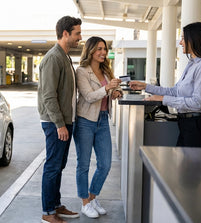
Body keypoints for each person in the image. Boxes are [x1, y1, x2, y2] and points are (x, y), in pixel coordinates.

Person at [129, 22, 201, 147]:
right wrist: (146, 86)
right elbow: (175, 91)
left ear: (194, 39)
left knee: (189, 166)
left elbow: (198, 102)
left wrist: (162, 99)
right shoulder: (192, 64)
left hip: (197, 126)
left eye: (183, 38)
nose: (180, 42)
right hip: (185, 123)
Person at [37, 15, 82, 223]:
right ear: (65, 34)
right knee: (53, 166)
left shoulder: (64, 56)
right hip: (56, 123)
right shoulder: (53, 58)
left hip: (65, 122)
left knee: (59, 165)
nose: (79, 37)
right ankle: (48, 212)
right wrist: (59, 124)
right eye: (77, 33)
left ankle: (55, 204)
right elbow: (48, 95)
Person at [73, 36, 122, 218]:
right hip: (85, 120)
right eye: (99, 49)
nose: (103, 52)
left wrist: (115, 92)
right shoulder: (82, 71)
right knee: (83, 164)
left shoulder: (106, 70)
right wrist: (108, 88)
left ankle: (92, 197)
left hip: (102, 120)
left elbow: (106, 94)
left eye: (105, 49)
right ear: (91, 50)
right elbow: (88, 96)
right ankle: (85, 202)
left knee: (105, 164)